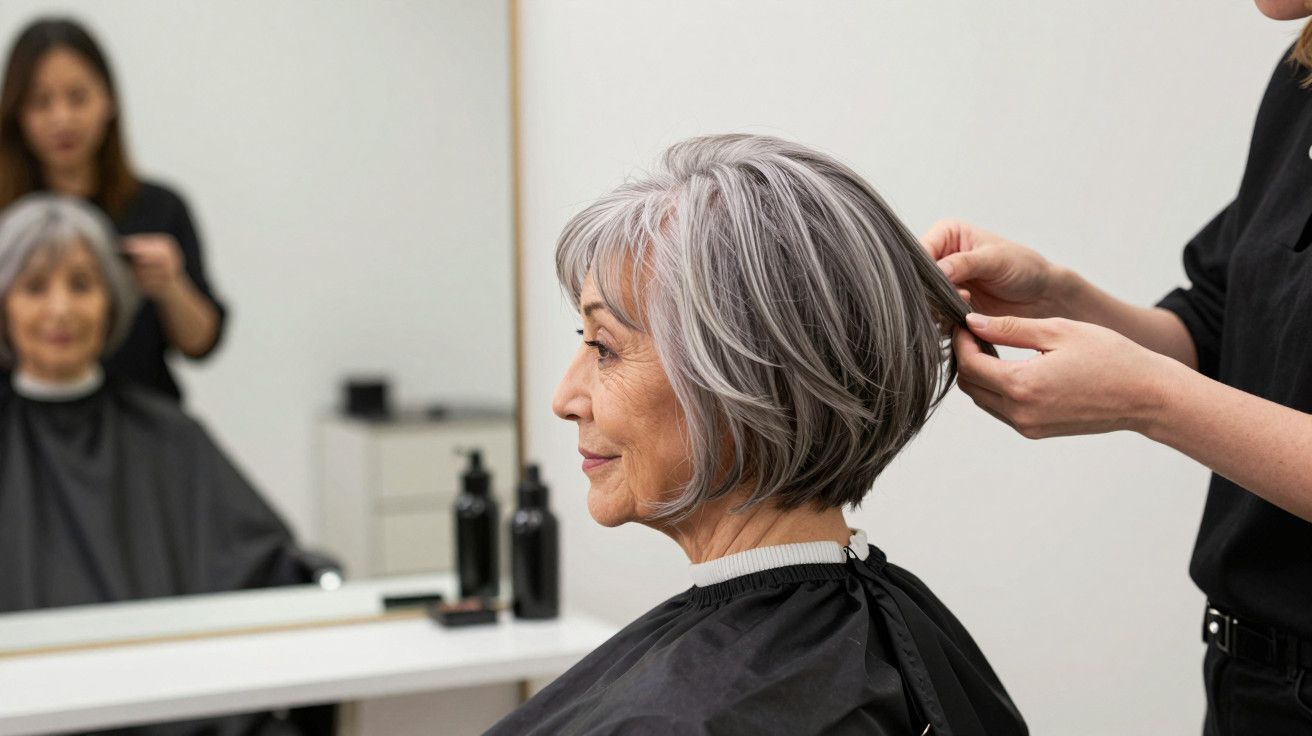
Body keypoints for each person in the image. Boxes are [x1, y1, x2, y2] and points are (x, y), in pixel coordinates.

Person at [488, 135, 1026, 735]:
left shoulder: (697, 718)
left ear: (744, 382)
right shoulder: (898, 618)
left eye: (605, 348)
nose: (564, 399)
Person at [921, 2, 1312, 732]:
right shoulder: (1302, 81)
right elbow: (1220, 330)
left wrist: (1148, 402)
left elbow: (1178, 385)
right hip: (1248, 682)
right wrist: (1056, 294)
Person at [0, 194, 329, 736]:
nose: (59, 310)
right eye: (35, 287)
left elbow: (261, 564)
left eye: (81, 285)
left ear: (112, 300)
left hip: (174, 709)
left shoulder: (168, 436)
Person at [0, 17, 225, 401]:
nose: (62, 118)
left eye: (78, 97)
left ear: (109, 100)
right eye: (41, 102)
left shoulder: (160, 210)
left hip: (141, 429)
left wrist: (171, 286)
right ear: (17, 113)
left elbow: (201, 343)